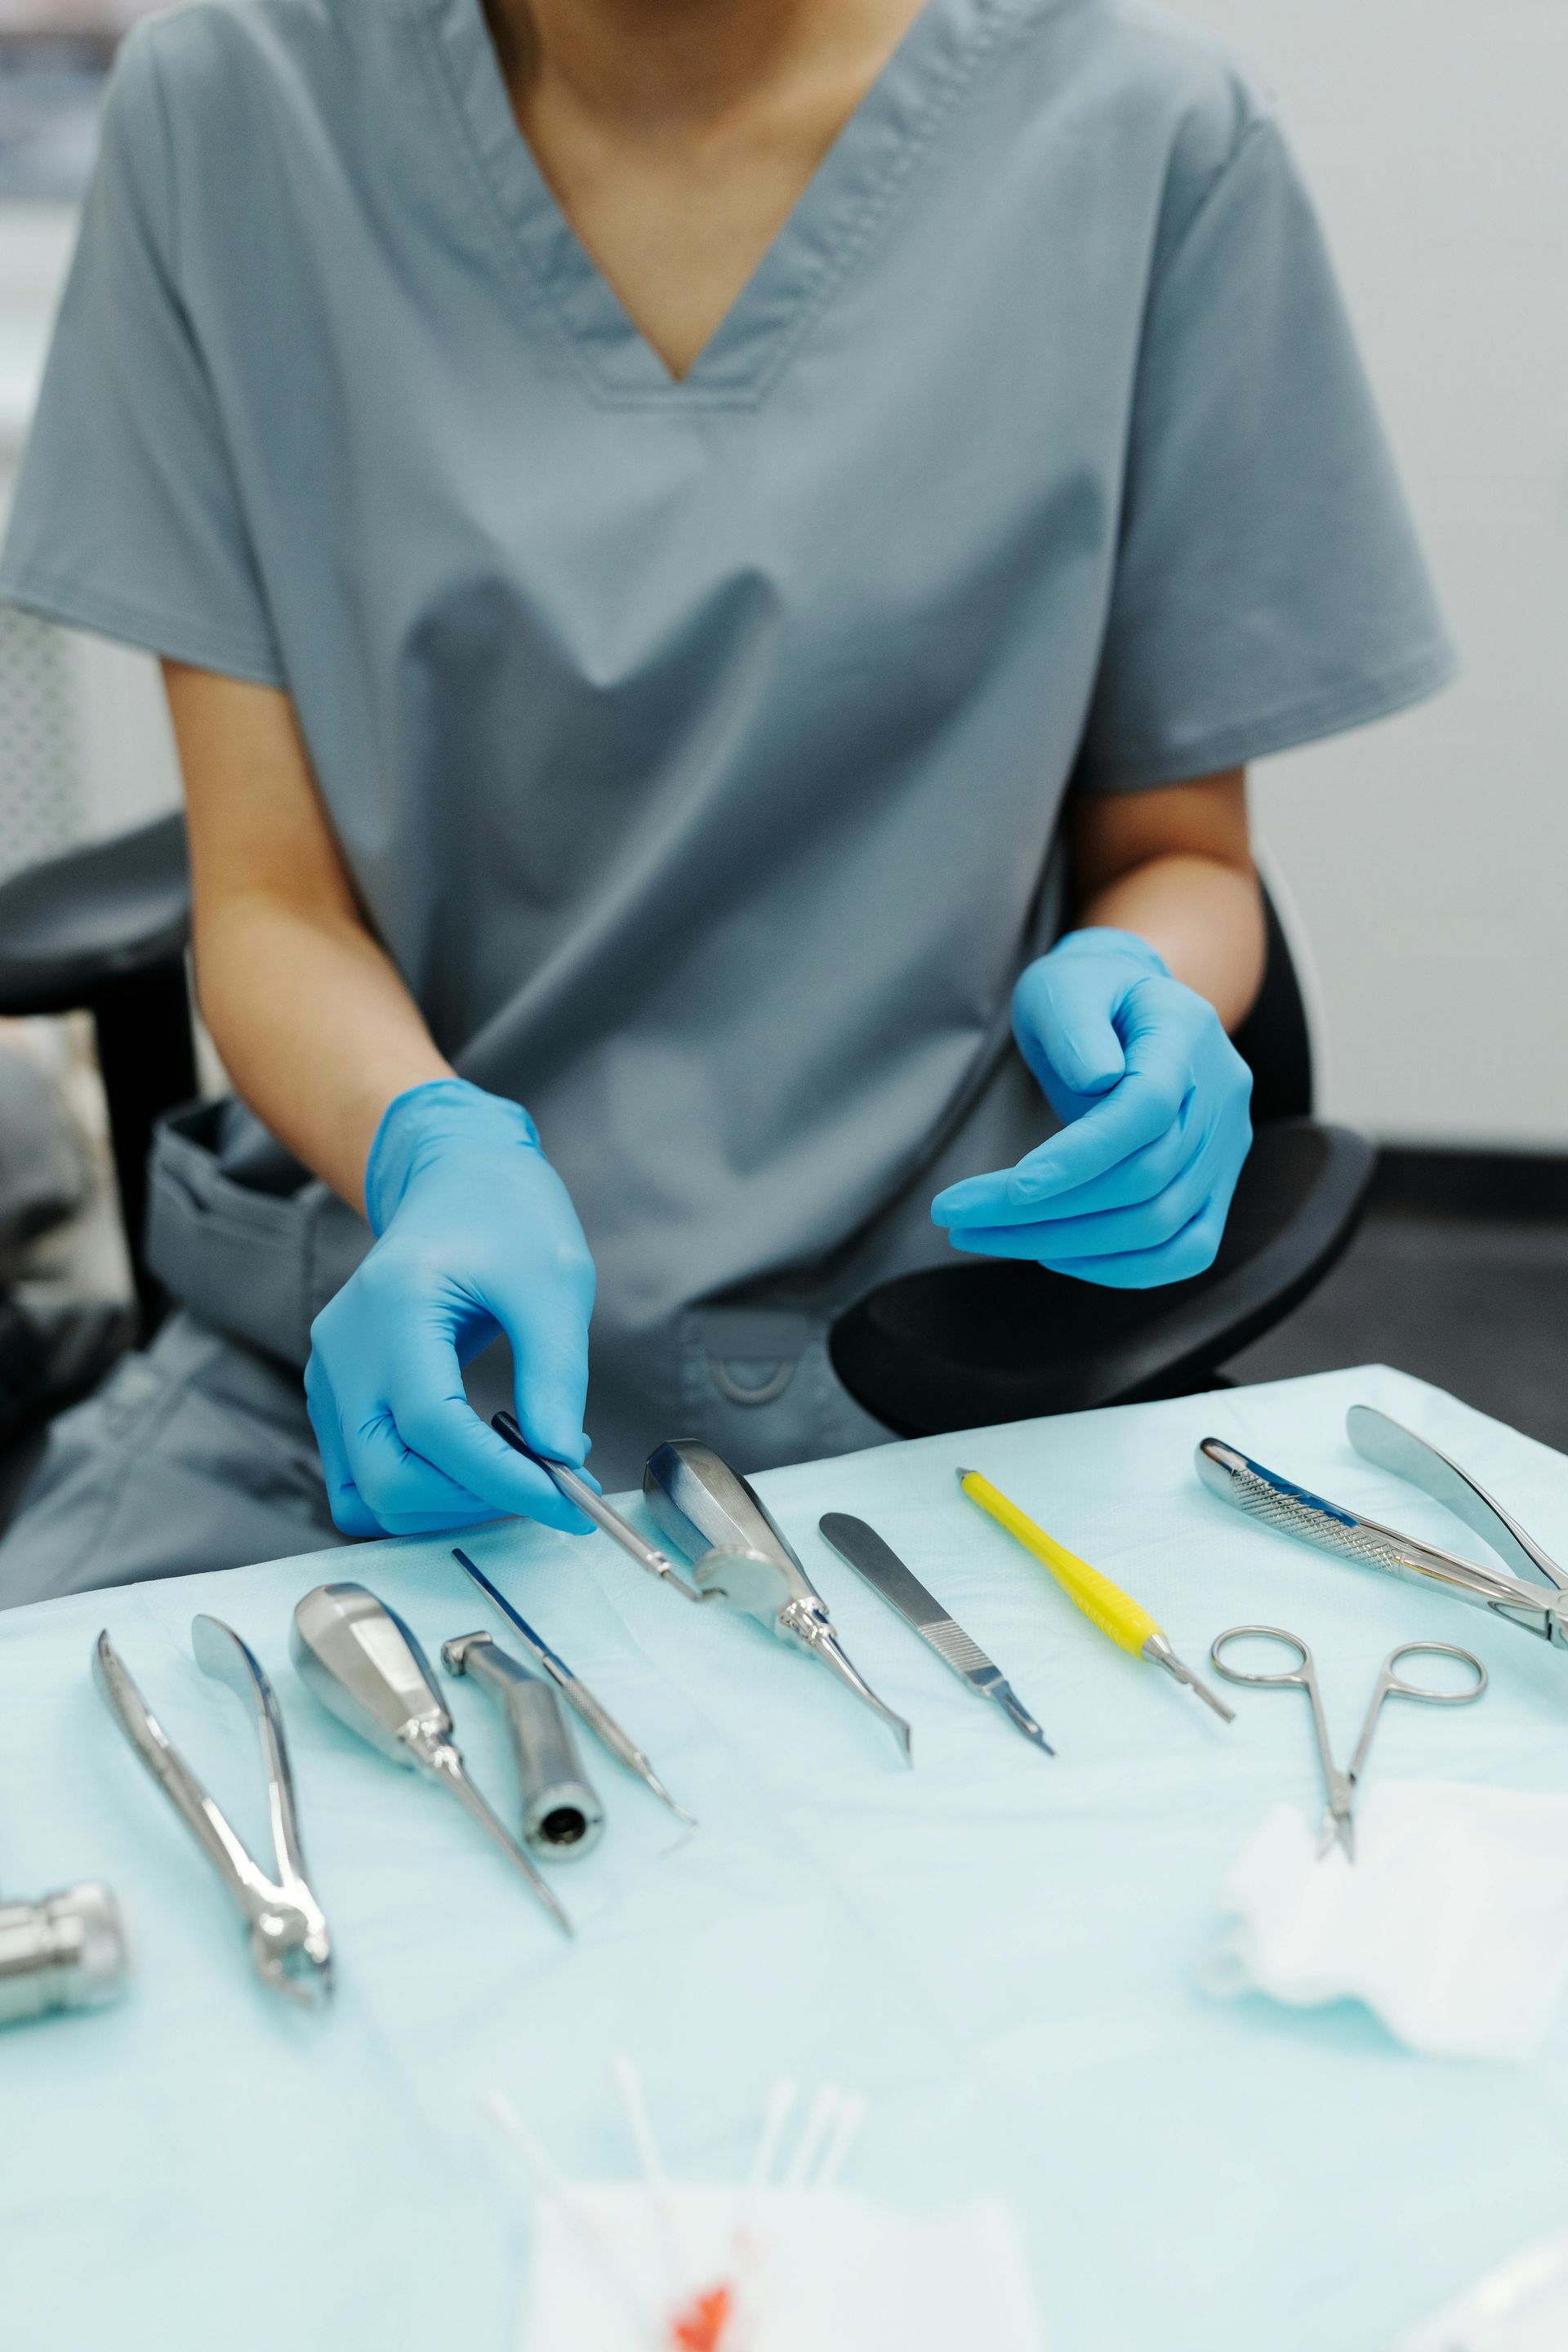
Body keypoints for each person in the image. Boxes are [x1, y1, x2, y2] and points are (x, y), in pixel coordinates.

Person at [0, 0, 1451, 1603]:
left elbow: (1180, 854)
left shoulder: (1146, 143)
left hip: (928, 1361)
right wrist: (425, 1153)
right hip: (370, 1352)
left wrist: (1155, 1002)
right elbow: (269, 901)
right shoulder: (232, 109)